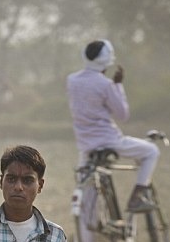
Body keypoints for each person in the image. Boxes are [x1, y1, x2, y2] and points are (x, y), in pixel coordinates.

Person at [66, 39, 160, 214]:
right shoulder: (106, 84)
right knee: (151, 151)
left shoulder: (72, 80)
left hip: (86, 145)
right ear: (107, 60)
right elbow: (122, 115)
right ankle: (137, 197)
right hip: (109, 141)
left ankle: (85, 238)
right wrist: (118, 85)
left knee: (87, 191)